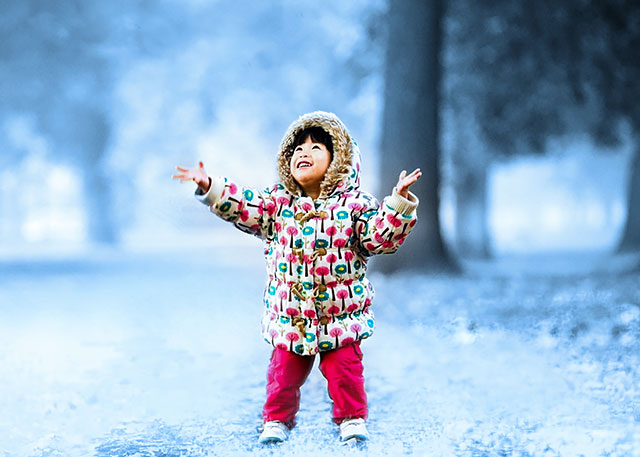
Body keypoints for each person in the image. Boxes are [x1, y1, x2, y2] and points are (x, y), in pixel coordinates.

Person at [173, 111, 421, 444]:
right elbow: (245, 206)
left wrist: (399, 204)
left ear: (340, 161)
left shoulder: (356, 207)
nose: (304, 152)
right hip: (290, 316)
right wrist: (211, 187)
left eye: (317, 147)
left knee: (346, 371)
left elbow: (380, 238)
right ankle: (276, 420)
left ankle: (351, 418)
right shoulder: (277, 205)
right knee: (282, 375)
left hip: (341, 315)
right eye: (298, 148)